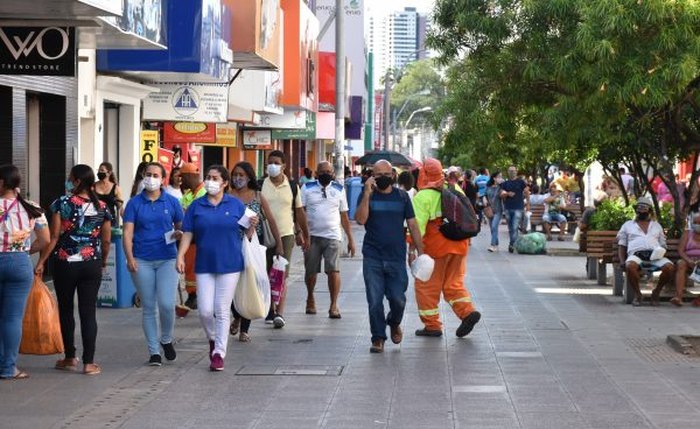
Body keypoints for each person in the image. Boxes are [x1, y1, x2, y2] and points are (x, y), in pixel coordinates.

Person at [176, 165, 257, 371]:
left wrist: (253, 225)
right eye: (208, 177)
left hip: (230, 264)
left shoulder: (236, 204)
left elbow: (247, 234)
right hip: (204, 264)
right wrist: (181, 255)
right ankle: (212, 338)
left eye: (214, 178)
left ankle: (219, 353)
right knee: (204, 310)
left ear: (224, 183)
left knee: (221, 309)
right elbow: (187, 232)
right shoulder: (196, 206)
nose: (210, 181)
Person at [37, 164, 112, 375]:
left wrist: (41, 261)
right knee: (88, 312)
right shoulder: (103, 207)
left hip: (65, 263)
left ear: (78, 181)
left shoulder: (61, 203)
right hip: (91, 263)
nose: (68, 181)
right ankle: (89, 363)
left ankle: (70, 357)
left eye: (71, 178)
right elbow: (106, 241)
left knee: (66, 309)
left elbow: (53, 237)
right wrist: (103, 260)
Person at [355, 160, 424, 353]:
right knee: (375, 300)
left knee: (398, 299)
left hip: (395, 257)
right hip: (372, 257)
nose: (383, 178)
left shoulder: (402, 197)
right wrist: (367, 194)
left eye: (386, 174)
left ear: (393, 175)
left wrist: (421, 251)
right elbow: (360, 219)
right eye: (378, 175)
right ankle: (378, 337)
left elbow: (413, 225)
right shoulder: (367, 195)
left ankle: (394, 322)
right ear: (372, 177)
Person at [411, 158, 481, 338]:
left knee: (426, 286)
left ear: (423, 174)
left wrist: (412, 249)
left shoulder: (423, 196)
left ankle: (432, 326)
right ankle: (467, 312)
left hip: (436, 248)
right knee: (454, 283)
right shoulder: (454, 188)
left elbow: (416, 227)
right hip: (460, 245)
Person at [122, 163, 184, 366]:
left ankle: (166, 339)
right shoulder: (134, 203)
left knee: (166, 304)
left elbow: (182, 228)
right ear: (142, 176)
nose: (151, 178)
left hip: (167, 258)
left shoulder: (172, 202)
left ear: (163, 179)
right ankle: (153, 351)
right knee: (149, 307)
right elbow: (128, 232)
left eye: (155, 175)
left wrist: (179, 236)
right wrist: (129, 257)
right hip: (142, 259)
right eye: (148, 174)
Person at [0, 165, 49, 380]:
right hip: (20, 263)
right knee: (12, 318)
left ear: (2, 183)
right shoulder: (32, 207)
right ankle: (9, 367)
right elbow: (45, 239)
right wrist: (24, 251)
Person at [228, 161, 283, 342]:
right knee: (231, 285)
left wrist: (279, 244)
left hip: (252, 246)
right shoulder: (227, 195)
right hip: (230, 245)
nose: (237, 178)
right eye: (235, 174)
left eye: (241, 175)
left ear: (249, 177)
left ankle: (245, 328)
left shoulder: (257, 196)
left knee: (250, 283)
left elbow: (272, 221)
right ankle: (236, 313)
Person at [260, 150, 310, 327]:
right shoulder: (260, 185)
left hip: (286, 234)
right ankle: (270, 309)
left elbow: (299, 212)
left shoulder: (292, 185)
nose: (271, 166)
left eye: (275, 162)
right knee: (266, 274)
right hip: (264, 235)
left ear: (283, 166)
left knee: (281, 274)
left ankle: (279, 313)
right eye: (269, 162)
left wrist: (303, 233)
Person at [301, 161, 356, 319]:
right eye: (323, 171)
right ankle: (310, 297)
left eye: (329, 171)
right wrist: (301, 233)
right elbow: (301, 212)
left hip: (333, 236)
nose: (326, 174)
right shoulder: (307, 188)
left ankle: (333, 305)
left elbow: (344, 216)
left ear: (333, 173)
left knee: (333, 270)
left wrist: (350, 240)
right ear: (316, 173)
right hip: (311, 236)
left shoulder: (339, 189)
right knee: (311, 271)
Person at [616, 197, 675, 307]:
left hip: (655, 255)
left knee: (670, 267)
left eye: (644, 208)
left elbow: (663, 244)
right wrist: (622, 261)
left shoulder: (656, 225)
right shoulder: (627, 225)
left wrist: (661, 251)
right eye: (639, 208)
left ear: (650, 211)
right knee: (630, 266)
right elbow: (622, 245)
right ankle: (638, 295)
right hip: (636, 255)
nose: (641, 210)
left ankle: (656, 292)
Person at [179, 162, 206, 310]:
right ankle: (192, 295)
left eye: (184, 177)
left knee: (197, 267)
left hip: (200, 237)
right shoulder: (189, 194)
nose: (182, 181)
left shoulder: (204, 193)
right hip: (190, 237)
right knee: (189, 267)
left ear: (191, 176)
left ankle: (197, 295)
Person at [672, 211, 700, 307]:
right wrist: (689, 260)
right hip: (689, 260)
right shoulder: (687, 233)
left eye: (699, 223)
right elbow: (680, 250)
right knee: (681, 263)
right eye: (695, 223)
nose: (697, 225)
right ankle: (678, 297)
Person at [501, 166, 529, 253]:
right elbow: (501, 194)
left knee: (515, 226)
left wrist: (528, 204)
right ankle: (512, 243)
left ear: (516, 172)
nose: (512, 172)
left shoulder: (521, 182)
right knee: (510, 227)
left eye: (513, 170)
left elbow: (527, 192)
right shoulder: (505, 183)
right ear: (508, 172)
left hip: (518, 207)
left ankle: (512, 244)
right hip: (508, 207)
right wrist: (507, 194)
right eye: (510, 171)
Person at [484, 171, 504, 252]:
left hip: (498, 210)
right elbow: (484, 194)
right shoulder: (488, 186)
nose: (500, 178)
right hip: (490, 210)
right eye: (499, 176)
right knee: (492, 228)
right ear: (494, 178)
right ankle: (496, 243)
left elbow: (503, 194)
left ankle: (493, 245)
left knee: (494, 226)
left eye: (501, 177)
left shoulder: (501, 187)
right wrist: (484, 199)